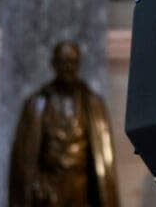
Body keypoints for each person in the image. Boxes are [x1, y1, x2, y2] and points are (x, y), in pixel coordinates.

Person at [9, 41, 118, 207]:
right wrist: (36, 183)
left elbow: (104, 156)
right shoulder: (37, 104)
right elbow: (23, 158)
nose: (68, 67)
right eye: (63, 62)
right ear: (54, 64)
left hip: (81, 187)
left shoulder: (93, 104)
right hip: (50, 187)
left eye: (72, 62)